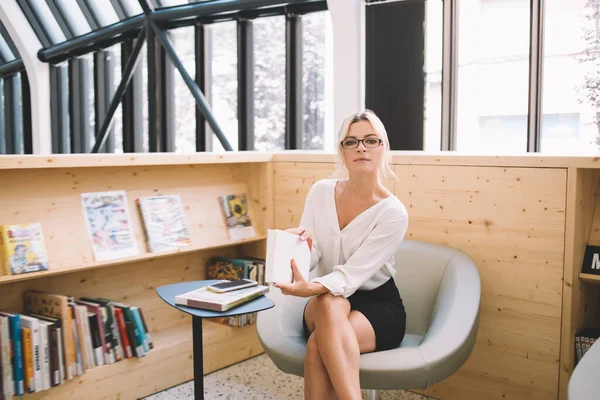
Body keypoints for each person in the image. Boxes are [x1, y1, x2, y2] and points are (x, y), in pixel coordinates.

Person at [274, 110, 409, 400]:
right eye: (351, 141)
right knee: (327, 302)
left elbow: (353, 275)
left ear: (382, 148)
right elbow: (315, 252)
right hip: (326, 298)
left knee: (316, 345)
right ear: (342, 151)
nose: (361, 147)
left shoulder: (393, 213)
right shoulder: (320, 192)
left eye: (370, 140)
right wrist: (296, 249)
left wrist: (310, 287)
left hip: (378, 303)